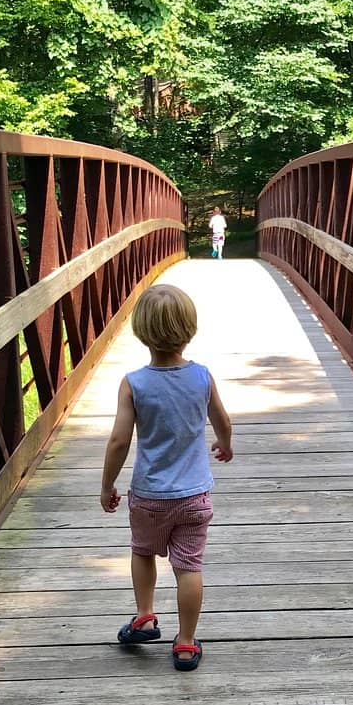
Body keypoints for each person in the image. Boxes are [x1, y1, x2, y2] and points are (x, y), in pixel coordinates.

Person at [100, 283, 233, 671]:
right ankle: (187, 643)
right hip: (195, 497)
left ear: (140, 331)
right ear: (189, 329)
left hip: (149, 497)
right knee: (189, 566)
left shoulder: (134, 383)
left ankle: (144, 615)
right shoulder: (202, 377)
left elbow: (119, 441)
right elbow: (222, 421)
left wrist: (107, 485)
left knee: (142, 550)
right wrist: (225, 444)